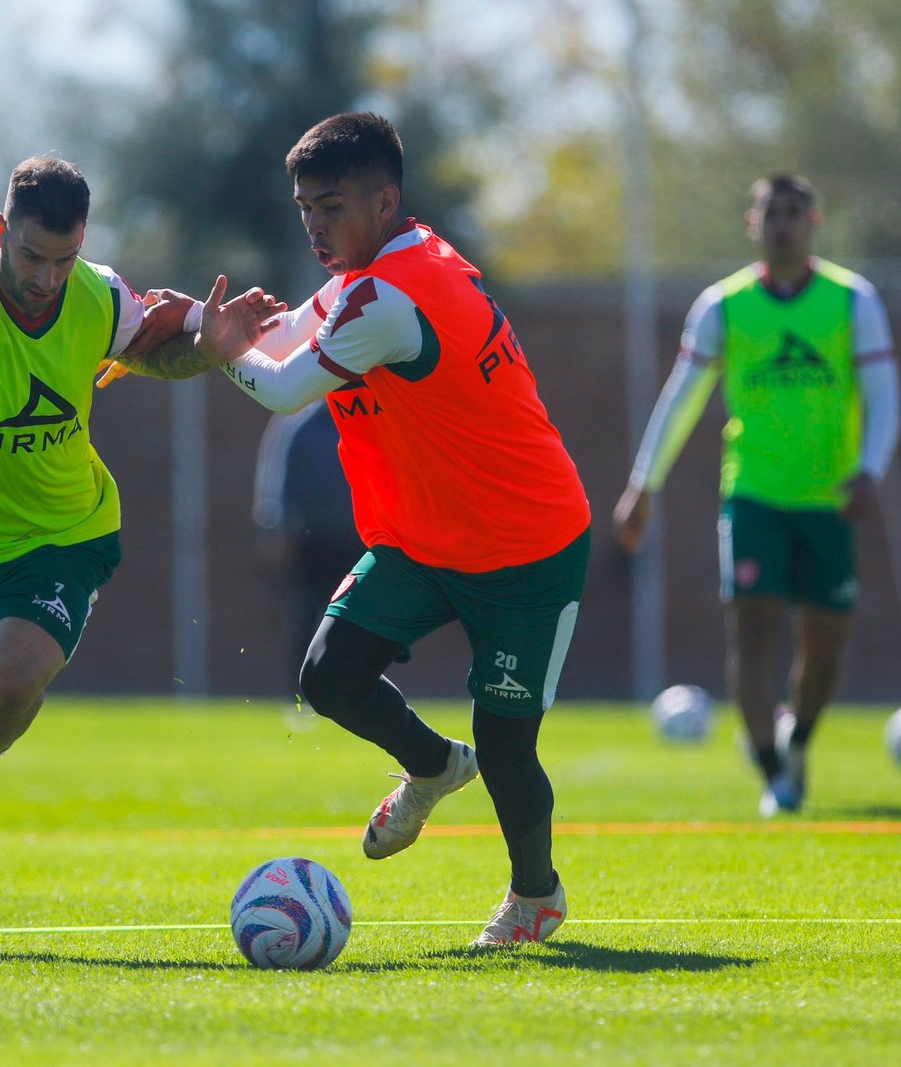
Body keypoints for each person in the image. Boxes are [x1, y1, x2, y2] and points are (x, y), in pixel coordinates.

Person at [119, 113, 592, 945]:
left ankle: (536, 896)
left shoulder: (391, 294)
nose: (315, 225)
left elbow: (281, 386)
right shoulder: (372, 274)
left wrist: (217, 345)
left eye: (331, 206)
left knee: (509, 744)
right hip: (424, 538)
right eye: (305, 208)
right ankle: (433, 765)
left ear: (386, 199)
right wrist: (203, 319)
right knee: (329, 674)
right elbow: (288, 334)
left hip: (526, 543)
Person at [0, 156, 280, 950]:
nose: (47, 278)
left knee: (9, 678)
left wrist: (209, 347)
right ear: (1, 231)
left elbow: (153, 353)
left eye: (63, 259)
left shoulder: (97, 292)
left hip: (63, 534)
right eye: (33, 257)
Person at [612, 174, 900, 818]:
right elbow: (680, 398)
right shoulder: (724, 305)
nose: (783, 225)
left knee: (825, 647)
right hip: (753, 495)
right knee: (752, 629)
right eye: (772, 214)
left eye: (795, 213)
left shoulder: (854, 301)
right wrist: (643, 484)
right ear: (753, 224)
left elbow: (883, 397)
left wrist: (871, 470)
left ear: (813, 221)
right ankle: (773, 772)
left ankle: (797, 738)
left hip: (829, 499)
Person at [251, 404, 364, 681]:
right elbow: (279, 485)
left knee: (358, 620)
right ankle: (302, 690)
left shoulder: (363, 415)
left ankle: (350, 686)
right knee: (305, 616)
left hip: (360, 541)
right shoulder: (300, 421)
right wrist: (276, 531)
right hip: (313, 542)